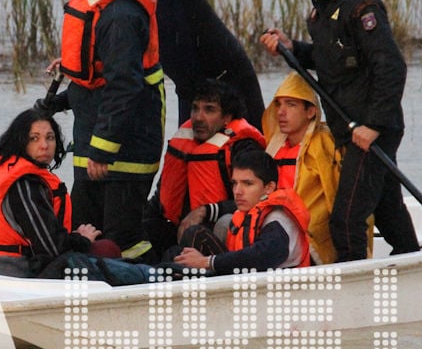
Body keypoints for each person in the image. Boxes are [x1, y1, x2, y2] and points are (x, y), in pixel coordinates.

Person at [260, 0, 419, 261]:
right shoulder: (320, 13)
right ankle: (413, 262)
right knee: (387, 208)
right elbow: (328, 60)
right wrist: (293, 49)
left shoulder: (361, 7)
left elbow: (392, 67)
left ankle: (354, 291)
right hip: (351, 130)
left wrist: (373, 125)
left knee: (346, 218)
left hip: (372, 130)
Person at [47, 0, 166, 263]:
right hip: (95, 144)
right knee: (87, 231)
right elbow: (97, 80)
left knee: (122, 238)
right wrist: (58, 103)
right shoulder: (99, 5)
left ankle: (148, 289)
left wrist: (102, 149)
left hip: (123, 149)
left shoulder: (120, 14)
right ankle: (96, 293)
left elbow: (124, 86)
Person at [122, 0, 264, 127]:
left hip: (230, 79)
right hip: (189, 91)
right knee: (185, 152)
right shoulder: (114, 6)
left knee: (250, 148)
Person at [0, 109, 111, 278]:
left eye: (50, 138)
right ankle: (150, 279)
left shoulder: (10, 173)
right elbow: (51, 249)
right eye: (34, 138)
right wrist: (82, 240)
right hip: (20, 270)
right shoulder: (25, 185)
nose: (44, 146)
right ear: (21, 142)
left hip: (1, 264)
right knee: (108, 249)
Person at [146, 77, 265, 258]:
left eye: (209, 110)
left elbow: (259, 199)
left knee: (185, 243)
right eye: (195, 108)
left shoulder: (243, 148)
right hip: (182, 231)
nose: (198, 117)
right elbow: (161, 198)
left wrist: (206, 211)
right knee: (141, 226)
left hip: (221, 234)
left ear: (227, 117)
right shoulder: (183, 146)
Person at [174, 149, 311, 274]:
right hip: (248, 282)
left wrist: (206, 262)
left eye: (247, 184)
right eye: (235, 183)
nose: (237, 192)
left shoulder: (278, 220)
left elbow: (262, 257)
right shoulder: (247, 212)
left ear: (269, 188)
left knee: (192, 242)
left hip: (275, 293)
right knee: (188, 241)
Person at [262, 71, 342, 265]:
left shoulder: (321, 144)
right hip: (273, 230)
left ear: (310, 111)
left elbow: (336, 196)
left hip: (308, 237)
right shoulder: (274, 146)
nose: (281, 112)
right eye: (279, 104)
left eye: (291, 105)